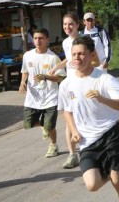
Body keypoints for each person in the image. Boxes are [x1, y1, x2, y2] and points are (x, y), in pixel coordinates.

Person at [58, 36, 119, 202]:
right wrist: (74, 131)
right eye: (74, 54)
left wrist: (102, 99)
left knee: (117, 181)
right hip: (87, 140)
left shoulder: (104, 79)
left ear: (92, 55)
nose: (77, 58)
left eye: (82, 54)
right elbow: (67, 111)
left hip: (111, 135)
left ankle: (115, 176)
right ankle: (109, 171)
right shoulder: (66, 84)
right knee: (92, 185)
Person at [19, 28, 65, 159]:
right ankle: (43, 126)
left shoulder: (53, 58)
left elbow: (60, 77)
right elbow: (25, 71)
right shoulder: (28, 55)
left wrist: (46, 77)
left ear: (47, 40)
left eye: (41, 38)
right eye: (35, 38)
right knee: (28, 124)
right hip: (33, 97)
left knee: (50, 125)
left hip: (50, 96)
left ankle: (53, 145)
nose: (38, 41)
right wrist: (23, 82)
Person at [49, 12, 83, 169]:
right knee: (69, 118)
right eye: (65, 24)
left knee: (83, 117)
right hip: (69, 84)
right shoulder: (66, 42)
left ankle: (86, 150)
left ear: (77, 24)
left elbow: (93, 60)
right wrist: (56, 67)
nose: (67, 27)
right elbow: (69, 60)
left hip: (83, 82)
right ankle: (72, 154)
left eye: (70, 24)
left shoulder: (84, 41)